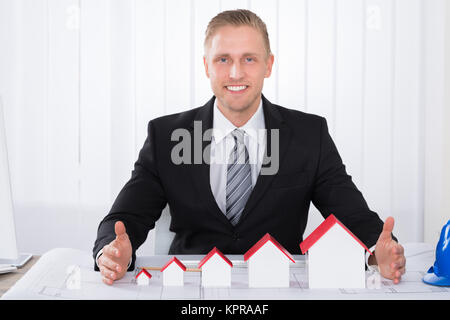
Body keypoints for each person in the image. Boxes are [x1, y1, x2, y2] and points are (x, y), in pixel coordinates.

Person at [93, 9, 406, 285]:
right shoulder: (167, 135)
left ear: (268, 65)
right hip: (192, 284)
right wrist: (112, 253)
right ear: (206, 66)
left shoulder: (309, 134)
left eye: (249, 59)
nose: (235, 73)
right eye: (223, 59)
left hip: (279, 285)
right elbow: (124, 218)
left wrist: (378, 252)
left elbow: (353, 216)